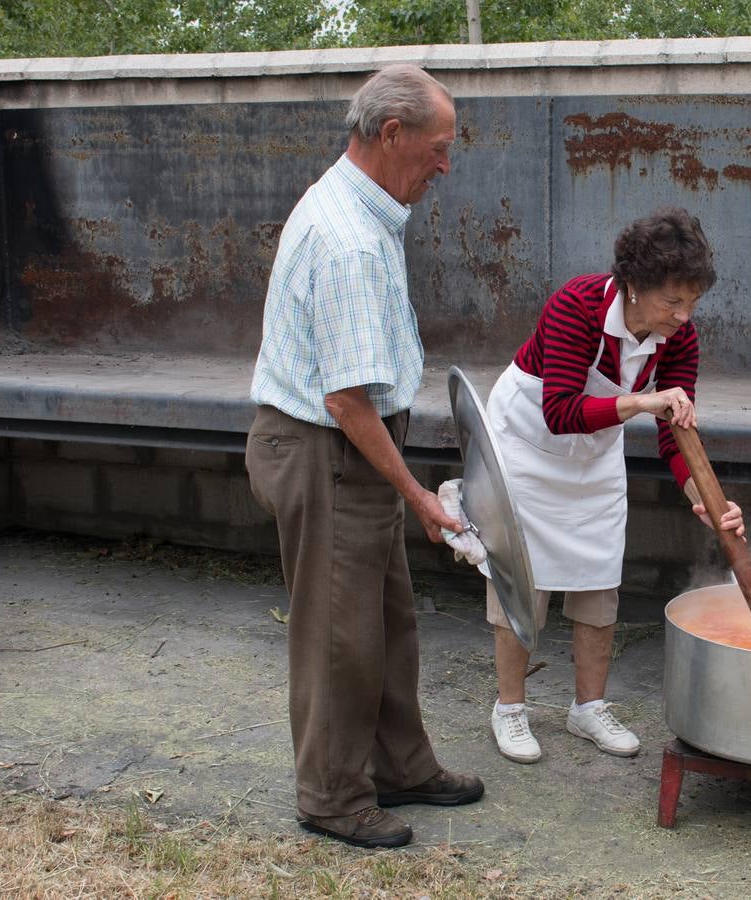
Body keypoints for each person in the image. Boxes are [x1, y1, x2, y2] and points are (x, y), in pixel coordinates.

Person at [245, 64, 482, 850]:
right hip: (328, 448)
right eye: (439, 149)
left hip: (349, 445)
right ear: (391, 135)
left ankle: (401, 766)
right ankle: (333, 796)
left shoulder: (366, 210)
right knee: (339, 634)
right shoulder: (346, 239)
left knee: (387, 621)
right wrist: (421, 499)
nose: (446, 165)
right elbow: (347, 401)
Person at [482, 208, 743, 763]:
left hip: (594, 450)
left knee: (599, 579)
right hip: (527, 446)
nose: (683, 314)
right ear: (633, 285)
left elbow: (677, 436)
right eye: (673, 301)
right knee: (519, 578)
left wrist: (708, 502)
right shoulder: (576, 305)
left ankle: (587, 708)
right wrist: (645, 401)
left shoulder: (680, 339)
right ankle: (509, 709)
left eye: (692, 301)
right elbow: (559, 411)